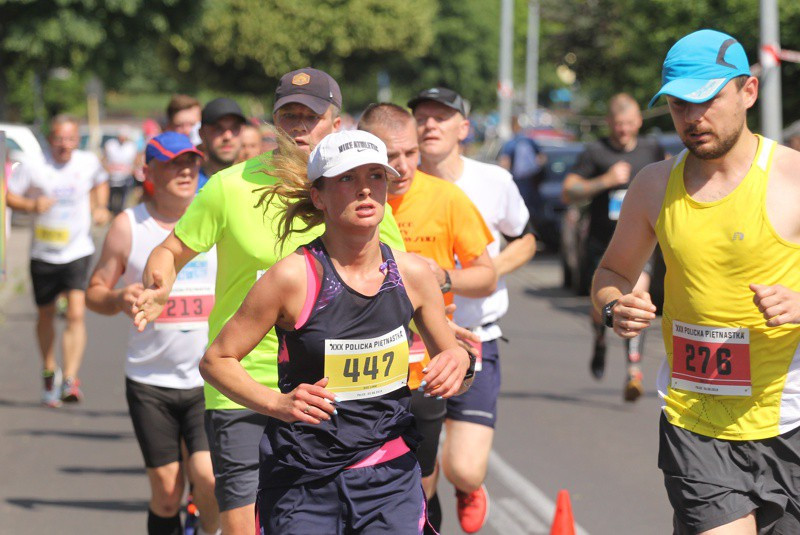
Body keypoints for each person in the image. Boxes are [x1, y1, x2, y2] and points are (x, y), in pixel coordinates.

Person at [131, 67, 405, 535]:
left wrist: (438, 327)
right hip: (244, 388)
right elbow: (171, 249)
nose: (299, 126)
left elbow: (400, 278)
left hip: (330, 395)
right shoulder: (229, 188)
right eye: (289, 115)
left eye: (311, 116)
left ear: (334, 124)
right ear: (274, 122)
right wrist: (159, 281)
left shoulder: (360, 192)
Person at [200, 129, 473, 534]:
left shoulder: (413, 274)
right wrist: (276, 404)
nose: (365, 190)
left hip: (389, 475)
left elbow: (455, 363)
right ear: (319, 196)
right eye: (347, 178)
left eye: (375, 177)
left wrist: (459, 361)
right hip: (303, 482)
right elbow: (216, 360)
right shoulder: (293, 277)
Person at [593, 29, 800, 534]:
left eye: (706, 100)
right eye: (678, 104)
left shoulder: (793, 178)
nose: (691, 117)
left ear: (748, 91)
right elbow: (612, 273)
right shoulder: (653, 185)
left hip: (790, 420)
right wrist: (614, 306)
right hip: (694, 421)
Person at [359, 102, 496, 532]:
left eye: (411, 153)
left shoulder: (446, 198)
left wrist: (444, 276)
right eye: (390, 157)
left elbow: (487, 275)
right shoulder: (355, 200)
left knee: (425, 480)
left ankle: (462, 489)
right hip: (367, 360)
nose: (402, 167)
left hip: (432, 355)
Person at [411, 87, 537, 533]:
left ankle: (466, 484)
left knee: (465, 468)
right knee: (416, 469)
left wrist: (487, 271)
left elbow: (526, 238)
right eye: (421, 117)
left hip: (474, 333)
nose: (429, 125)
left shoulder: (492, 181)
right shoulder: (394, 184)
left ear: (463, 128)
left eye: (441, 118)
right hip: (413, 343)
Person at [86, 132, 220, 535]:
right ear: (148, 171)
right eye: (173, 163)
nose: (185, 171)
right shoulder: (129, 226)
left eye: (192, 162)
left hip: (207, 379)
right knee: (166, 491)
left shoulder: (216, 217)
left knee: (209, 479)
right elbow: (93, 293)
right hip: (150, 380)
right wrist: (117, 297)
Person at [561, 93, 665, 401]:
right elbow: (569, 191)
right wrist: (605, 180)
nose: (624, 130)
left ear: (638, 122)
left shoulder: (651, 149)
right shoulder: (595, 152)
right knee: (602, 308)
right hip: (602, 244)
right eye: (618, 124)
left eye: (630, 123)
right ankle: (600, 339)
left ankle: (634, 373)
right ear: (609, 123)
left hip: (642, 242)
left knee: (635, 297)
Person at [6, 114, 110, 407]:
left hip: (77, 249)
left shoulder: (87, 162)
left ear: (77, 140)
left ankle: (71, 379)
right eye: (59, 139)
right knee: (46, 315)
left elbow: (100, 182)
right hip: (43, 253)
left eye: (70, 139)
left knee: (76, 313)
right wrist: (30, 204)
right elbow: (8, 195)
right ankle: (50, 368)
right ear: (50, 139)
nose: (65, 145)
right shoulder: (34, 166)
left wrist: (100, 206)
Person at [197, 98, 246, 190]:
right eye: (217, 128)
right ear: (202, 134)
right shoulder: (188, 187)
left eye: (235, 128)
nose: (227, 136)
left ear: (243, 132)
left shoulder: (259, 183)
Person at [498, 115, 546, 208]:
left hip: (517, 181)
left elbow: (504, 163)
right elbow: (542, 157)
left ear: (512, 127)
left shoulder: (510, 143)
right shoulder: (529, 141)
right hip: (532, 179)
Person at [104, 126, 138, 214]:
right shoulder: (110, 145)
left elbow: (135, 161)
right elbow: (104, 159)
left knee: (123, 202)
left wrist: (132, 170)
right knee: (111, 201)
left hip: (125, 178)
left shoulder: (131, 146)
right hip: (112, 178)